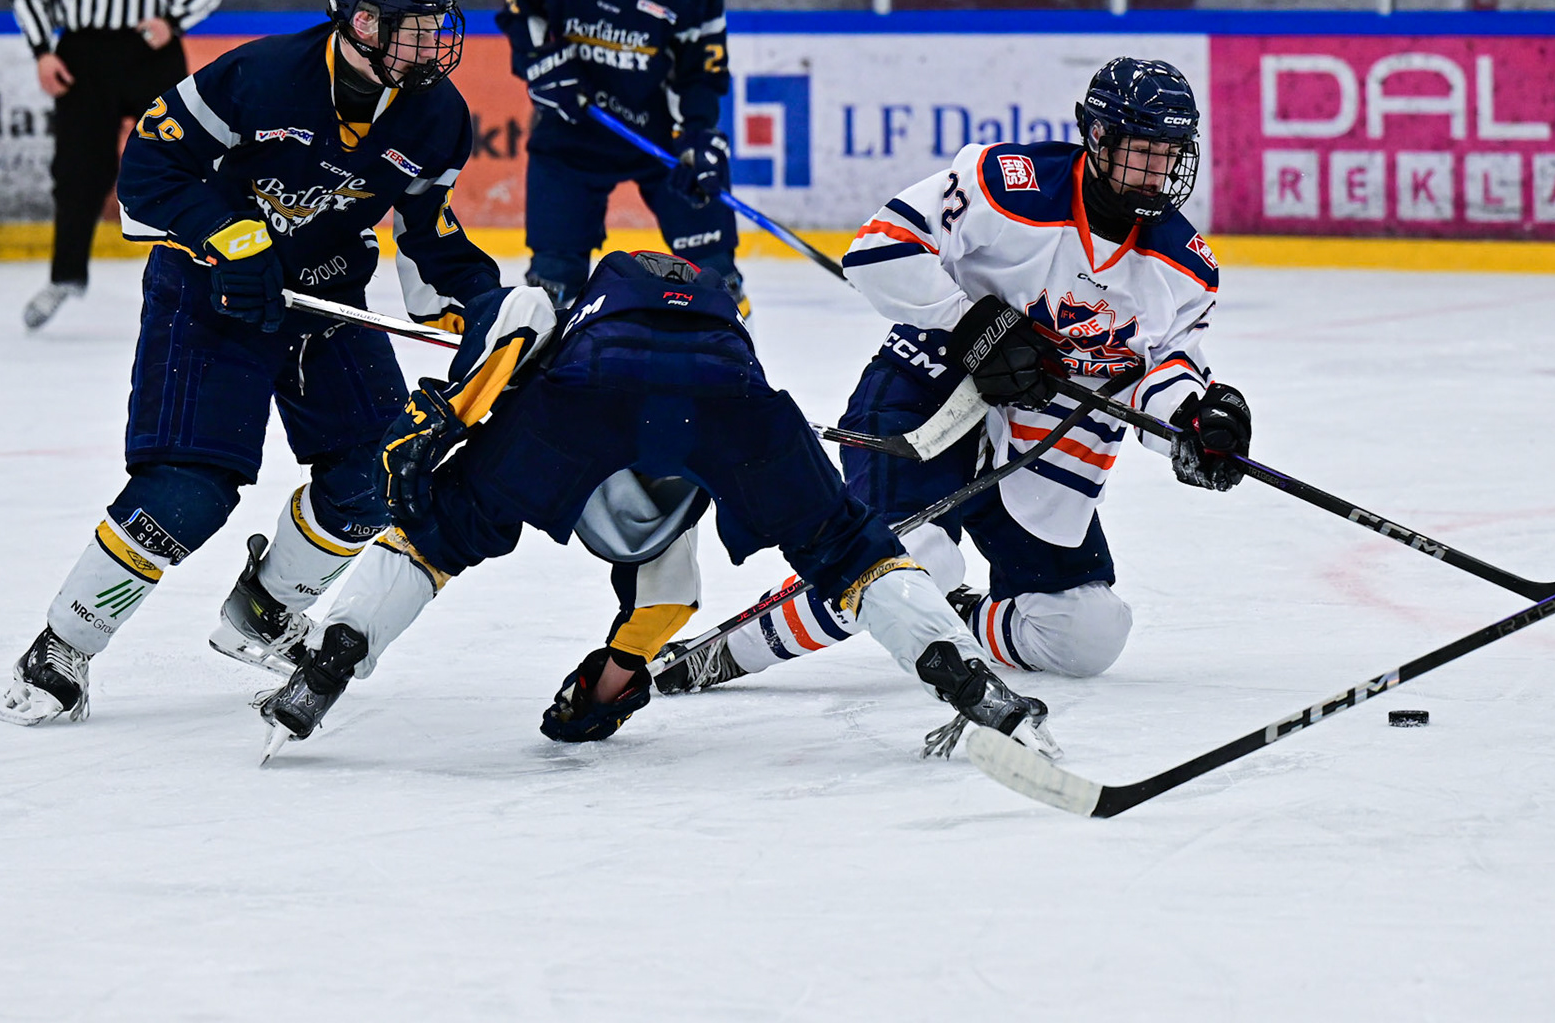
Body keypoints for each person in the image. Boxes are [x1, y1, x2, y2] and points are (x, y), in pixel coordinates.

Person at [255, 250, 1057, 763]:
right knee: (852, 552)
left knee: (437, 537)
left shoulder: (585, 305)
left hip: (581, 403)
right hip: (734, 410)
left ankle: (327, 665)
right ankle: (968, 678)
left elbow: (519, 320)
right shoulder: (713, 350)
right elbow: (666, 599)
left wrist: (447, 416)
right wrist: (606, 689)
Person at [0, 0, 513, 726]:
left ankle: (264, 613)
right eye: (408, 25)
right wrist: (228, 236)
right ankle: (61, 647)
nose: (427, 42)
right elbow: (148, 170)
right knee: (187, 489)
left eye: (433, 24)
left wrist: (483, 311)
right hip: (210, 297)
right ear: (358, 22)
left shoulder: (437, 117)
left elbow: (427, 234)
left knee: (378, 475)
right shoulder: (263, 76)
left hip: (324, 302)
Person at [658, 58, 1252, 693]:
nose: (1158, 173)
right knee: (914, 558)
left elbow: (1164, 372)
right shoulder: (1009, 185)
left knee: (1087, 634)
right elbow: (878, 249)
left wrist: (1196, 421)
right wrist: (970, 323)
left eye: (1170, 154)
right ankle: (726, 650)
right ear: (1098, 137)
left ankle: (959, 615)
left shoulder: (1186, 268)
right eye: (1142, 151)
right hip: (928, 396)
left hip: (1038, 449)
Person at [495, 0, 746, 314]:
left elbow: (702, 68)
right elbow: (520, 15)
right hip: (574, 131)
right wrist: (542, 65)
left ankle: (731, 355)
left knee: (716, 277)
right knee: (552, 283)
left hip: (661, 138)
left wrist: (697, 133)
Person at [10, 0, 227, 330]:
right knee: (78, 170)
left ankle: (202, 272)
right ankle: (65, 275)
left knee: (185, 160)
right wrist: (42, 51)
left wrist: (172, 20)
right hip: (83, 52)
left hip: (149, 48)